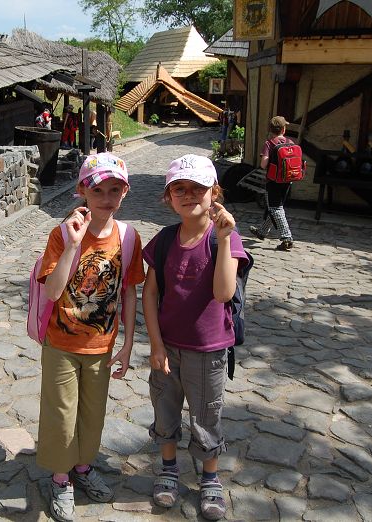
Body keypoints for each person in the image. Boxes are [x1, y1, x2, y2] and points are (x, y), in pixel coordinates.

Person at [35, 152, 145, 522]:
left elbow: (129, 291)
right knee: (61, 414)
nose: (106, 198)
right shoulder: (61, 234)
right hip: (61, 343)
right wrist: (72, 245)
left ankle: (82, 466)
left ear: (125, 192)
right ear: (83, 190)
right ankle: (60, 477)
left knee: (93, 413)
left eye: (115, 190)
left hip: (102, 345)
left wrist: (127, 344)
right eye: (98, 190)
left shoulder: (128, 237)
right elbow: (53, 291)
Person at [141, 154, 249, 520]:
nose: (189, 195)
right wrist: (156, 344)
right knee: (165, 410)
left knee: (206, 417)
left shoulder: (224, 240)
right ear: (168, 197)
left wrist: (225, 237)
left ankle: (210, 477)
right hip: (168, 348)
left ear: (214, 192)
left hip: (208, 349)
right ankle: (169, 469)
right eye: (180, 189)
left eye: (197, 188)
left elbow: (223, 293)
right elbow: (150, 293)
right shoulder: (164, 240)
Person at [249, 116, 295, 251]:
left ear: (271, 130)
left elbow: (263, 164)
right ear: (283, 129)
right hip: (287, 180)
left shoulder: (269, 144)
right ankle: (262, 232)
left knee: (276, 208)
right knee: (275, 207)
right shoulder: (290, 142)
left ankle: (287, 238)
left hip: (273, 181)